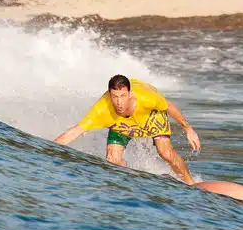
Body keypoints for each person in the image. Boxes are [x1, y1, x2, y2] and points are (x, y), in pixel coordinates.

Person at [54, 74, 201, 185]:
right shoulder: (102, 109)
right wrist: (46, 151)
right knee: (112, 160)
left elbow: (169, 106)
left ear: (130, 94)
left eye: (123, 96)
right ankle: (131, 182)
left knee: (165, 152)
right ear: (109, 95)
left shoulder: (147, 98)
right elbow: (74, 131)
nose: (119, 102)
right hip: (122, 126)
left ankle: (191, 184)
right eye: (114, 97)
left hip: (150, 117)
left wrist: (188, 129)